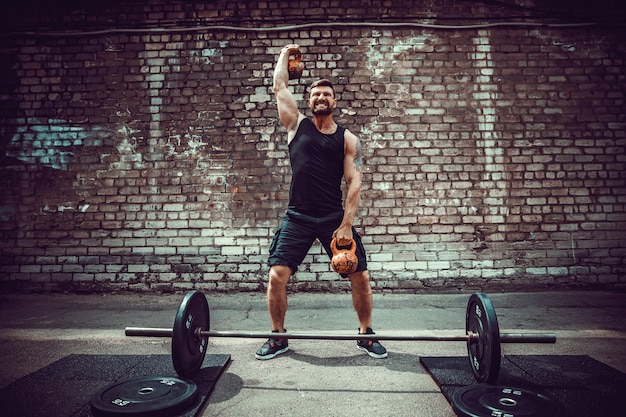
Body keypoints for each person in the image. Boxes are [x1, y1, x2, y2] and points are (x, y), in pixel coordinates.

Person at [255, 44, 387, 360]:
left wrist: (346, 225)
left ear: (334, 101)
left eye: (326, 94)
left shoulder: (346, 139)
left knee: (361, 275)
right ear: (310, 101)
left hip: (332, 217)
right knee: (276, 275)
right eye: (315, 95)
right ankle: (277, 336)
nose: (320, 98)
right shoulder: (295, 125)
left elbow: (354, 182)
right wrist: (285, 54)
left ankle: (366, 334)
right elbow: (279, 86)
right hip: (298, 216)